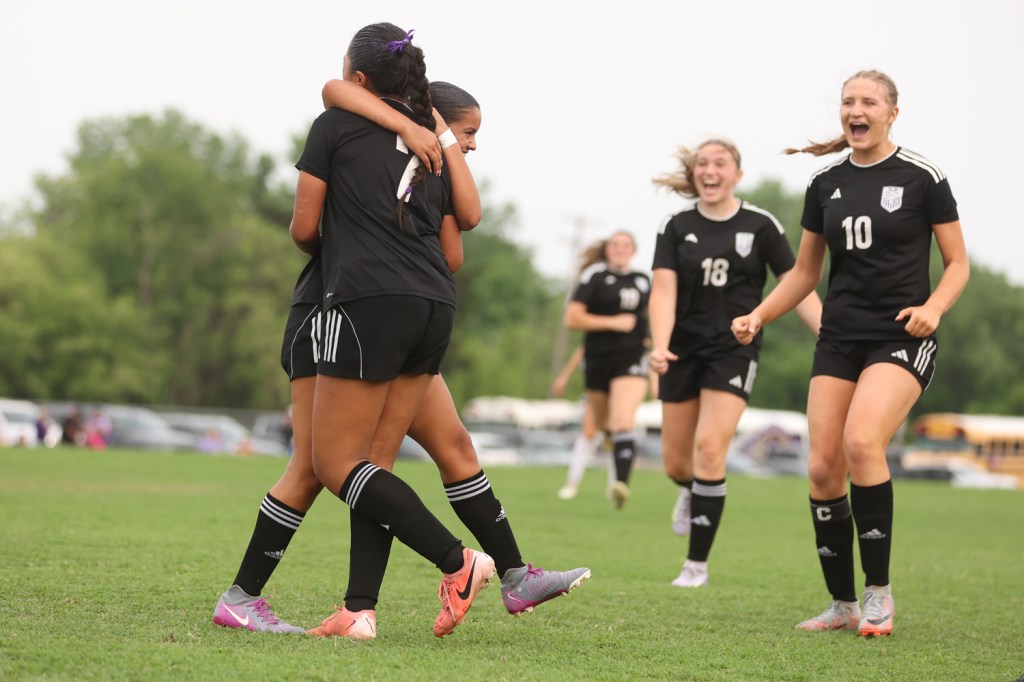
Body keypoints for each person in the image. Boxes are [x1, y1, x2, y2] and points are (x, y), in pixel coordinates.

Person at [213, 43, 588, 640]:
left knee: (357, 464)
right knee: (330, 465)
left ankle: (402, 591)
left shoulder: (385, 144)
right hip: (350, 308)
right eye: (466, 132)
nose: (469, 144)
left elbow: (315, 222)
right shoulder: (390, 140)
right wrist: (429, 139)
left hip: (367, 306)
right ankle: (318, 600)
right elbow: (455, 244)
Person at [731, 70, 969, 636]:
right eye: (847, 102)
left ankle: (879, 594)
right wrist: (761, 313)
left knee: (862, 442)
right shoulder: (825, 183)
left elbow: (958, 263)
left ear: (892, 112)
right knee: (821, 466)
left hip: (900, 337)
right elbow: (805, 272)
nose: (855, 110)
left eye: (868, 102)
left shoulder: (923, 177)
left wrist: (934, 307)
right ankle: (841, 606)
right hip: (839, 337)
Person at [648, 139, 822, 589]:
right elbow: (663, 291)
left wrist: (829, 334)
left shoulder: (761, 225)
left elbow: (796, 283)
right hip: (682, 350)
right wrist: (661, 345)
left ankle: (695, 566)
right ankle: (690, 492)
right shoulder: (675, 225)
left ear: (737, 175)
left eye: (720, 163)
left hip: (734, 348)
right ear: (694, 175)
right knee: (675, 464)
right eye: (702, 164)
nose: (710, 170)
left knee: (710, 449)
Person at [562, 231, 651, 509]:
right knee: (599, 425)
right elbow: (572, 318)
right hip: (599, 359)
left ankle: (620, 485)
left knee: (623, 421)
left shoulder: (643, 280)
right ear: (607, 249)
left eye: (626, 245)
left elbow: (654, 318)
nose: (620, 249)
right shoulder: (595, 276)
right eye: (615, 244)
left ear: (633, 250)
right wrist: (612, 322)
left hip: (632, 358)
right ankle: (573, 482)